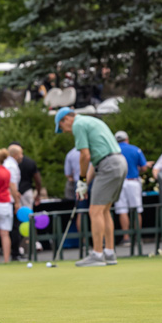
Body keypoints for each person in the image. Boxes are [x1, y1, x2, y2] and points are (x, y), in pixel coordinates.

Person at [55, 107, 127, 267]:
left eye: (62, 127)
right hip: (119, 162)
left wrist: (80, 179)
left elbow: (85, 156)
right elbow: (96, 160)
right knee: (105, 210)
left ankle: (97, 254)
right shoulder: (92, 121)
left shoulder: (78, 125)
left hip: (108, 166)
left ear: (66, 119)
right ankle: (109, 253)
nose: (65, 131)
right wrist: (84, 184)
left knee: (94, 211)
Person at [114, 130, 147, 246]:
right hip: (133, 182)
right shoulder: (135, 149)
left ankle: (126, 237)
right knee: (137, 209)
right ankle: (138, 237)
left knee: (122, 210)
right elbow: (144, 167)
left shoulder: (113, 151)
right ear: (127, 139)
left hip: (119, 182)